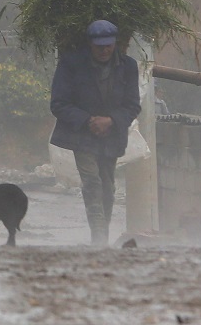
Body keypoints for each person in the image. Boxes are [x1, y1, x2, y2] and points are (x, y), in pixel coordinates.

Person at [49, 19, 140, 246]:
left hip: (112, 136)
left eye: (108, 46)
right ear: (90, 44)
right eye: (99, 46)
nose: (104, 50)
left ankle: (103, 237)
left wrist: (110, 121)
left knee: (108, 187)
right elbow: (58, 103)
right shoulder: (71, 64)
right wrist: (88, 120)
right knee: (92, 183)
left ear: (115, 44)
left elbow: (133, 105)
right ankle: (98, 239)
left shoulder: (128, 66)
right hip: (82, 136)